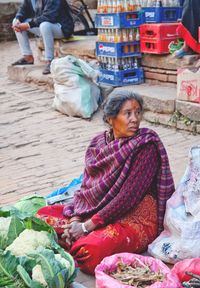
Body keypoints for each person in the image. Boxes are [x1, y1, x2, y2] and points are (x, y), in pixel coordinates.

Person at [37, 90, 175, 274]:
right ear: (110, 118)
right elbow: (86, 187)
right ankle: (74, 236)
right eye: (128, 113)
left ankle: (73, 239)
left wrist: (85, 227)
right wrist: (77, 219)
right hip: (96, 212)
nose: (135, 119)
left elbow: (127, 198)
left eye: (138, 112)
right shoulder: (97, 144)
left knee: (88, 252)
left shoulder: (145, 147)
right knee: (42, 217)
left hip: (134, 219)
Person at [12, 0, 74, 75]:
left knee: (44, 25)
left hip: (61, 28)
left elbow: (49, 17)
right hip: (45, 27)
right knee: (15, 22)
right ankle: (28, 57)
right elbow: (23, 9)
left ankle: (50, 61)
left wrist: (28, 25)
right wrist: (18, 19)